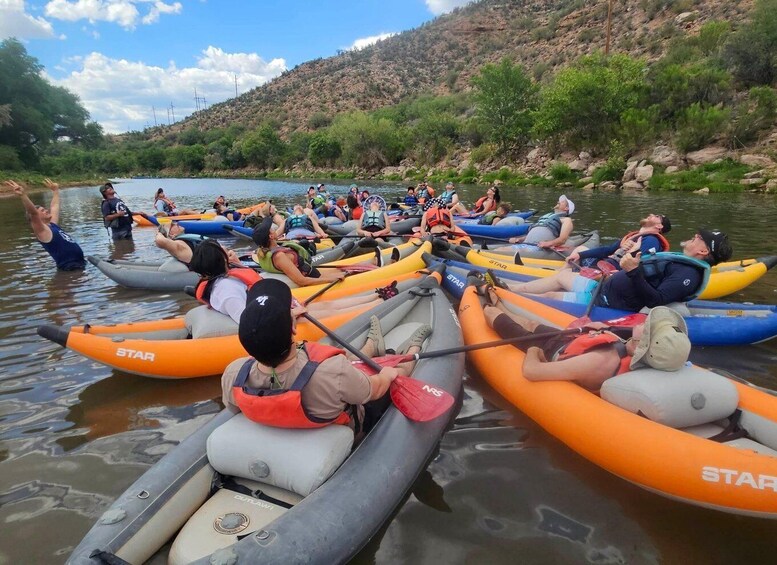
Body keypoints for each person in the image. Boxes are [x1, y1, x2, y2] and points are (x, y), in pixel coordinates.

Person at [220, 278, 432, 433]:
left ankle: (371, 345)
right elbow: (375, 389)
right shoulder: (332, 370)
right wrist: (386, 374)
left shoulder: (234, 373)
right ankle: (413, 351)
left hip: (327, 385)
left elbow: (234, 408)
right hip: (347, 417)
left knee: (340, 366)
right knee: (392, 372)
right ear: (294, 327)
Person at [484, 293, 691, 391]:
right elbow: (619, 345)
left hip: (551, 349)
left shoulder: (599, 361)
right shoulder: (635, 350)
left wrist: (533, 349)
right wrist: (604, 332)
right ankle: (500, 302)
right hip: (569, 342)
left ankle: (486, 305)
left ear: (641, 345)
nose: (641, 324)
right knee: (530, 322)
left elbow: (532, 372)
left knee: (491, 313)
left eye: (646, 328)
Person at [509, 229, 733, 312]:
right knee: (563, 275)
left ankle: (508, 299)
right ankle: (512, 290)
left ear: (703, 250)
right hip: (603, 285)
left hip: (605, 302)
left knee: (550, 296)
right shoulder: (682, 262)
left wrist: (633, 272)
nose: (694, 236)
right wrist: (623, 272)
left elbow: (657, 300)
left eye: (698, 238)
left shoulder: (688, 275)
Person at [190, 240, 391, 324]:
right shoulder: (226, 291)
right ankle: (380, 304)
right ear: (219, 260)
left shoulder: (224, 280)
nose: (227, 250)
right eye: (223, 250)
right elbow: (248, 320)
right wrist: (290, 314)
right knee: (328, 312)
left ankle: (375, 295)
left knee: (326, 304)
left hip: (274, 305)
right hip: (277, 317)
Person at [6, 179, 85, 270]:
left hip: (78, 264)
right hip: (70, 268)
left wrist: (55, 191)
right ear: (36, 218)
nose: (46, 210)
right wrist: (23, 196)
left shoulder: (52, 225)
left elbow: (54, 206)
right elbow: (33, 213)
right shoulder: (42, 231)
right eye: (42, 211)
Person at [252, 217, 348, 287]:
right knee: (347, 274)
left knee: (348, 269)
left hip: (313, 272)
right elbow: (301, 281)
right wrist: (331, 280)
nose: (275, 230)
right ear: (271, 236)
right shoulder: (279, 257)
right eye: (272, 229)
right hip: (314, 278)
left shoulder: (264, 251)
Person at [567, 214, 672, 272]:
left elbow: (639, 264)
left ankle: (563, 274)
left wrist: (631, 252)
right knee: (579, 251)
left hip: (609, 271)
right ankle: (567, 269)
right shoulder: (633, 236)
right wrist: (580, 255)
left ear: (659, 226)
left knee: (566, 273)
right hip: (605, 263)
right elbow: (607, 250)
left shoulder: (651, 240)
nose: (651, 215)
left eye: (657, 216)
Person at [501, 194, 574, 250]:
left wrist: (548, 243)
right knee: (500, 249)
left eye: (562, 202)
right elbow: (536, 231)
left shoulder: (567, 220)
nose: (558, 202)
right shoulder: (549, 216)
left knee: (502, 251)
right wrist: (519, 239)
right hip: (527, 243)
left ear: (566, 208)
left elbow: (563, 239)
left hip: (538, 247)